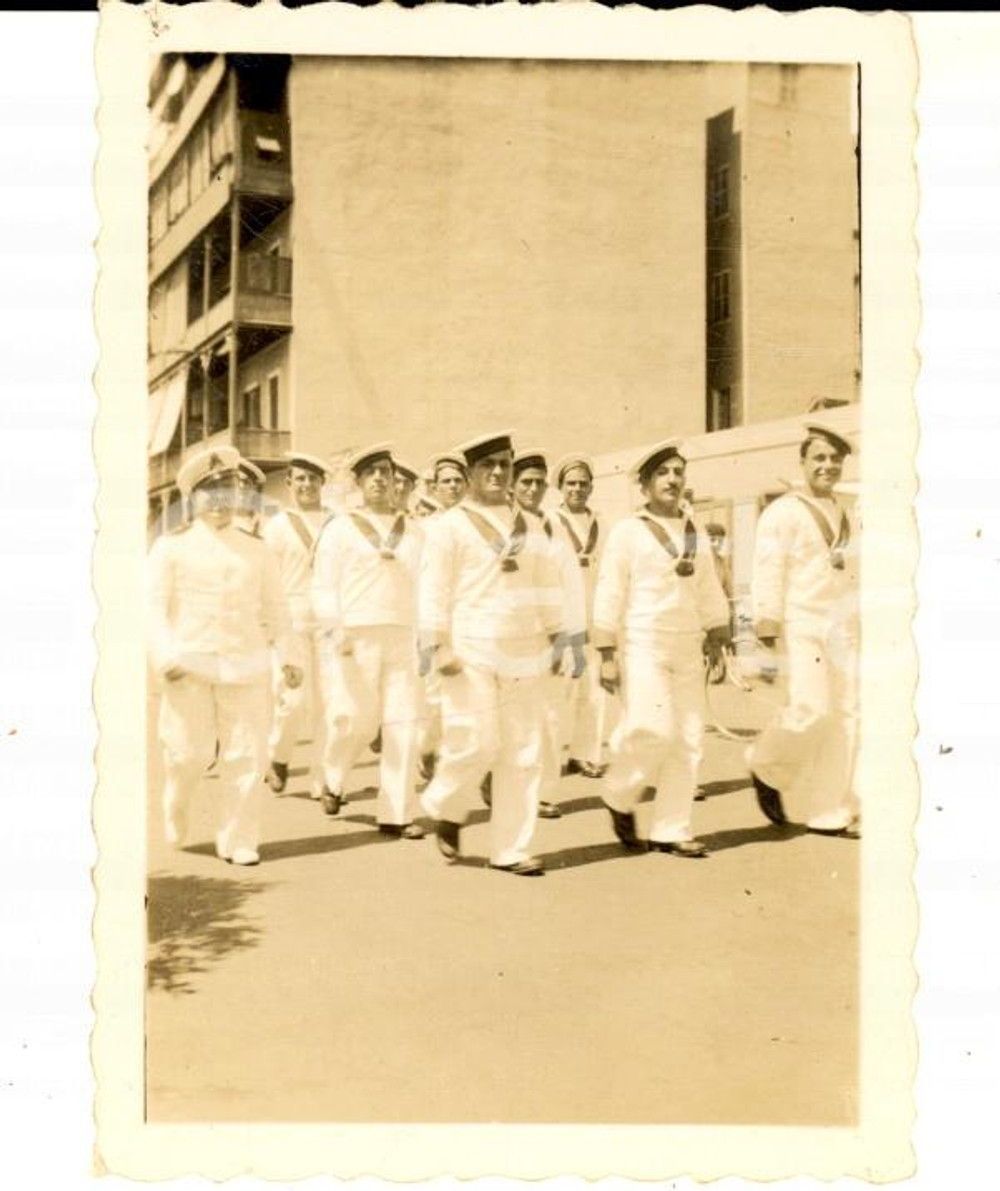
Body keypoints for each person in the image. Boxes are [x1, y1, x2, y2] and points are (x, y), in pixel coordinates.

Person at [418, 432, 579, 876]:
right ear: (469, 472)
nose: (496, 473)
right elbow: (433, 591)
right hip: (470, 650)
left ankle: (511, 848)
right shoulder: (449, 526)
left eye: (503, 465)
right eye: (486, 464)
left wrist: (558, 635)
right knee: (476, 743)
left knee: (524, 752)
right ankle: (447, 807)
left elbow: (547, 583)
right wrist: (438, 646)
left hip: (525, 650)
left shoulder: (530, 524)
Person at [148, 446, 301, 866]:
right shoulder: (170, 548)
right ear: (192, 500)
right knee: (188, 754)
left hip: (246, 663)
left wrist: (289, 656)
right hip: (189, 665)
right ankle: (176, 801)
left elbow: (276, 608)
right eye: (209, 493)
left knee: (246, 757)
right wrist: (164, 656)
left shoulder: (256, 548)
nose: (219, 502)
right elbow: (153, 609)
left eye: (227, 492)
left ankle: (238, 839)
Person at [593, 440, 731, 857]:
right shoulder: (628, 532)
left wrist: (717, 631)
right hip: (643, 644)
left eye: (678, 472)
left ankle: (671, 829)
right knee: (653, 730)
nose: (672, 480)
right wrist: (605, 653)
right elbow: (610, 592)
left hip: (688, 644)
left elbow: (708, 586)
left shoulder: (695, 530)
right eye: (663, 473)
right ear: (645, 484)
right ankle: (618, 794)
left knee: (688, 739)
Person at [746, 422, 860, 838]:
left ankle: (830, 811)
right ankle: (765, 763)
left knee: (846, 718)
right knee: (811, 708)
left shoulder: (845, 512)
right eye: (819, 458)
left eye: (835, 459)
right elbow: (767, 572)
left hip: (841, 627)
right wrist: (767, 634)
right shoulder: (784, 511)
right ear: (803, 462)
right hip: (801, 624)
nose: (827, 466)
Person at [312, 444, 425, 836]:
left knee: (402, 723)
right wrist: (334, 628)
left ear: (397, 481)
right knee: (353, 721)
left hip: (403, 635)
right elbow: (324, 586)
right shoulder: (340, 529)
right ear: (359, 482)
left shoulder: (413, 531)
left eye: (385, 472)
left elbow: (426, 587)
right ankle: (334, 775)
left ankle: (396, 812)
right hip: (353, 636)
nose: (379, 478)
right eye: (371, 472)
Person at [510, 449, 587, 819]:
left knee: (554, 718)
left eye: (540, 482)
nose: (534, 488)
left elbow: (571, 581)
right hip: (513, 638)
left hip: (553, 635)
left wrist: (575, 638)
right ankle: (506, 780)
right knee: (515, 719)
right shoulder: (504, 523)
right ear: (512, 485)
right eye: (526, 482)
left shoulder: (556, 526)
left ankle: (545, 792)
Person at [262, 451, 335, 800]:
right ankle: (278, 756)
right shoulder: (277, 526)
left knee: (328, 703)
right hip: (291, 618)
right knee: (293, 699)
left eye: (313, 479)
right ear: (290, 484)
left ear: (323, 483)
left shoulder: (337, 523)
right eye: (300, 479)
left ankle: (322, 780)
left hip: (329, 620)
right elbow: (268, 579)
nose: (307, 485)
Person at [553, 453, 610, 779]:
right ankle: (552, 755)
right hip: (563, 615)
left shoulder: (601, 521)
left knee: (594, 689)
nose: (577, 489)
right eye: (571, 484)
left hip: (595, 612)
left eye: (583, 484)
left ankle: (584, 753)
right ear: (560, 487)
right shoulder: (550, 521)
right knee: (561, 689)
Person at [235, 458, 266, 535]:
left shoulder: (266, 526)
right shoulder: (222, 524)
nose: (241, 486)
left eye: (246, 482)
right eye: (236, 481)